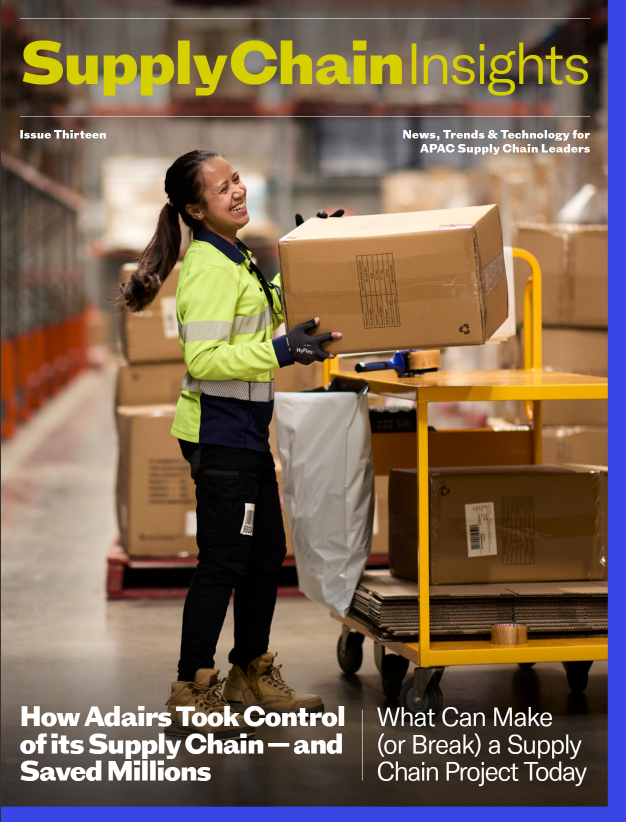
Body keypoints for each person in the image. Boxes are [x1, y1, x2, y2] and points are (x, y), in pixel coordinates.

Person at [120, 150, 342, 739]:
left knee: (265, 554)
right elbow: (205, 360)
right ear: (195, 209)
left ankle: (250, 672)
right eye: (222, 189)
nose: (237, 191)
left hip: (245, 432)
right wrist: (282, 351)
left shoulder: (235, 255)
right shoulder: (208, 269)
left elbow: (267, 310)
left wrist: (305, 251)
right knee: (223, 561)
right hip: (219, 436)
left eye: (237, 179)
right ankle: (191, 686)